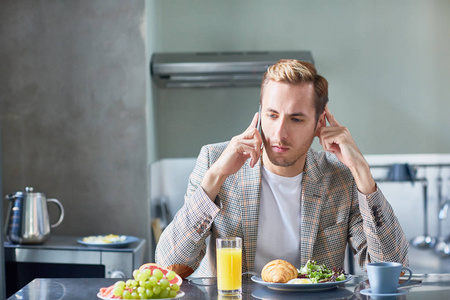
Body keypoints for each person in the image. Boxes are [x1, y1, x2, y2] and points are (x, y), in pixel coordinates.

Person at [155, 59, 409, 278]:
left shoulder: (342, 176)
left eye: (296, 119)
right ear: (259, 114)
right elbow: (168, 267)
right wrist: (215, 178)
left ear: (320, 122)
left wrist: (362, 172)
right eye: (272, 115)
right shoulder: (215, 161)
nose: (280, 134)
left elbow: (394, 272)